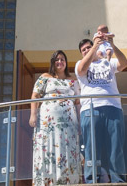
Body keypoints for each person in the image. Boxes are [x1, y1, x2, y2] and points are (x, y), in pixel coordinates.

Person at [76, 25, 127, 183]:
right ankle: (92, 181)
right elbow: (82, 69)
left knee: (115, 147)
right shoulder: (81, 64)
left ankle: (118, 180)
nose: (86, 50)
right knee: (92, 149)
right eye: (83, 49)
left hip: (113, 107)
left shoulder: (108, 62)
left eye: (88, 48)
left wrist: (112, 45)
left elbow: (124, 63)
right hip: (90, 110)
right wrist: (94, 47)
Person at [30, 50, 83, 186]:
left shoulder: (73, 81)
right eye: (57, 60)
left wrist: (80, 122)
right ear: (53, 63)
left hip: (69, 125)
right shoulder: (45, 77)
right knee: (48, 148)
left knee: (68, 149)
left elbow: (77, 103)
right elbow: (35, 96)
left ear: (66, 62)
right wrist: (33, 115)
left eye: (62, 59)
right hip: (47, 124)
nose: (60, 62)